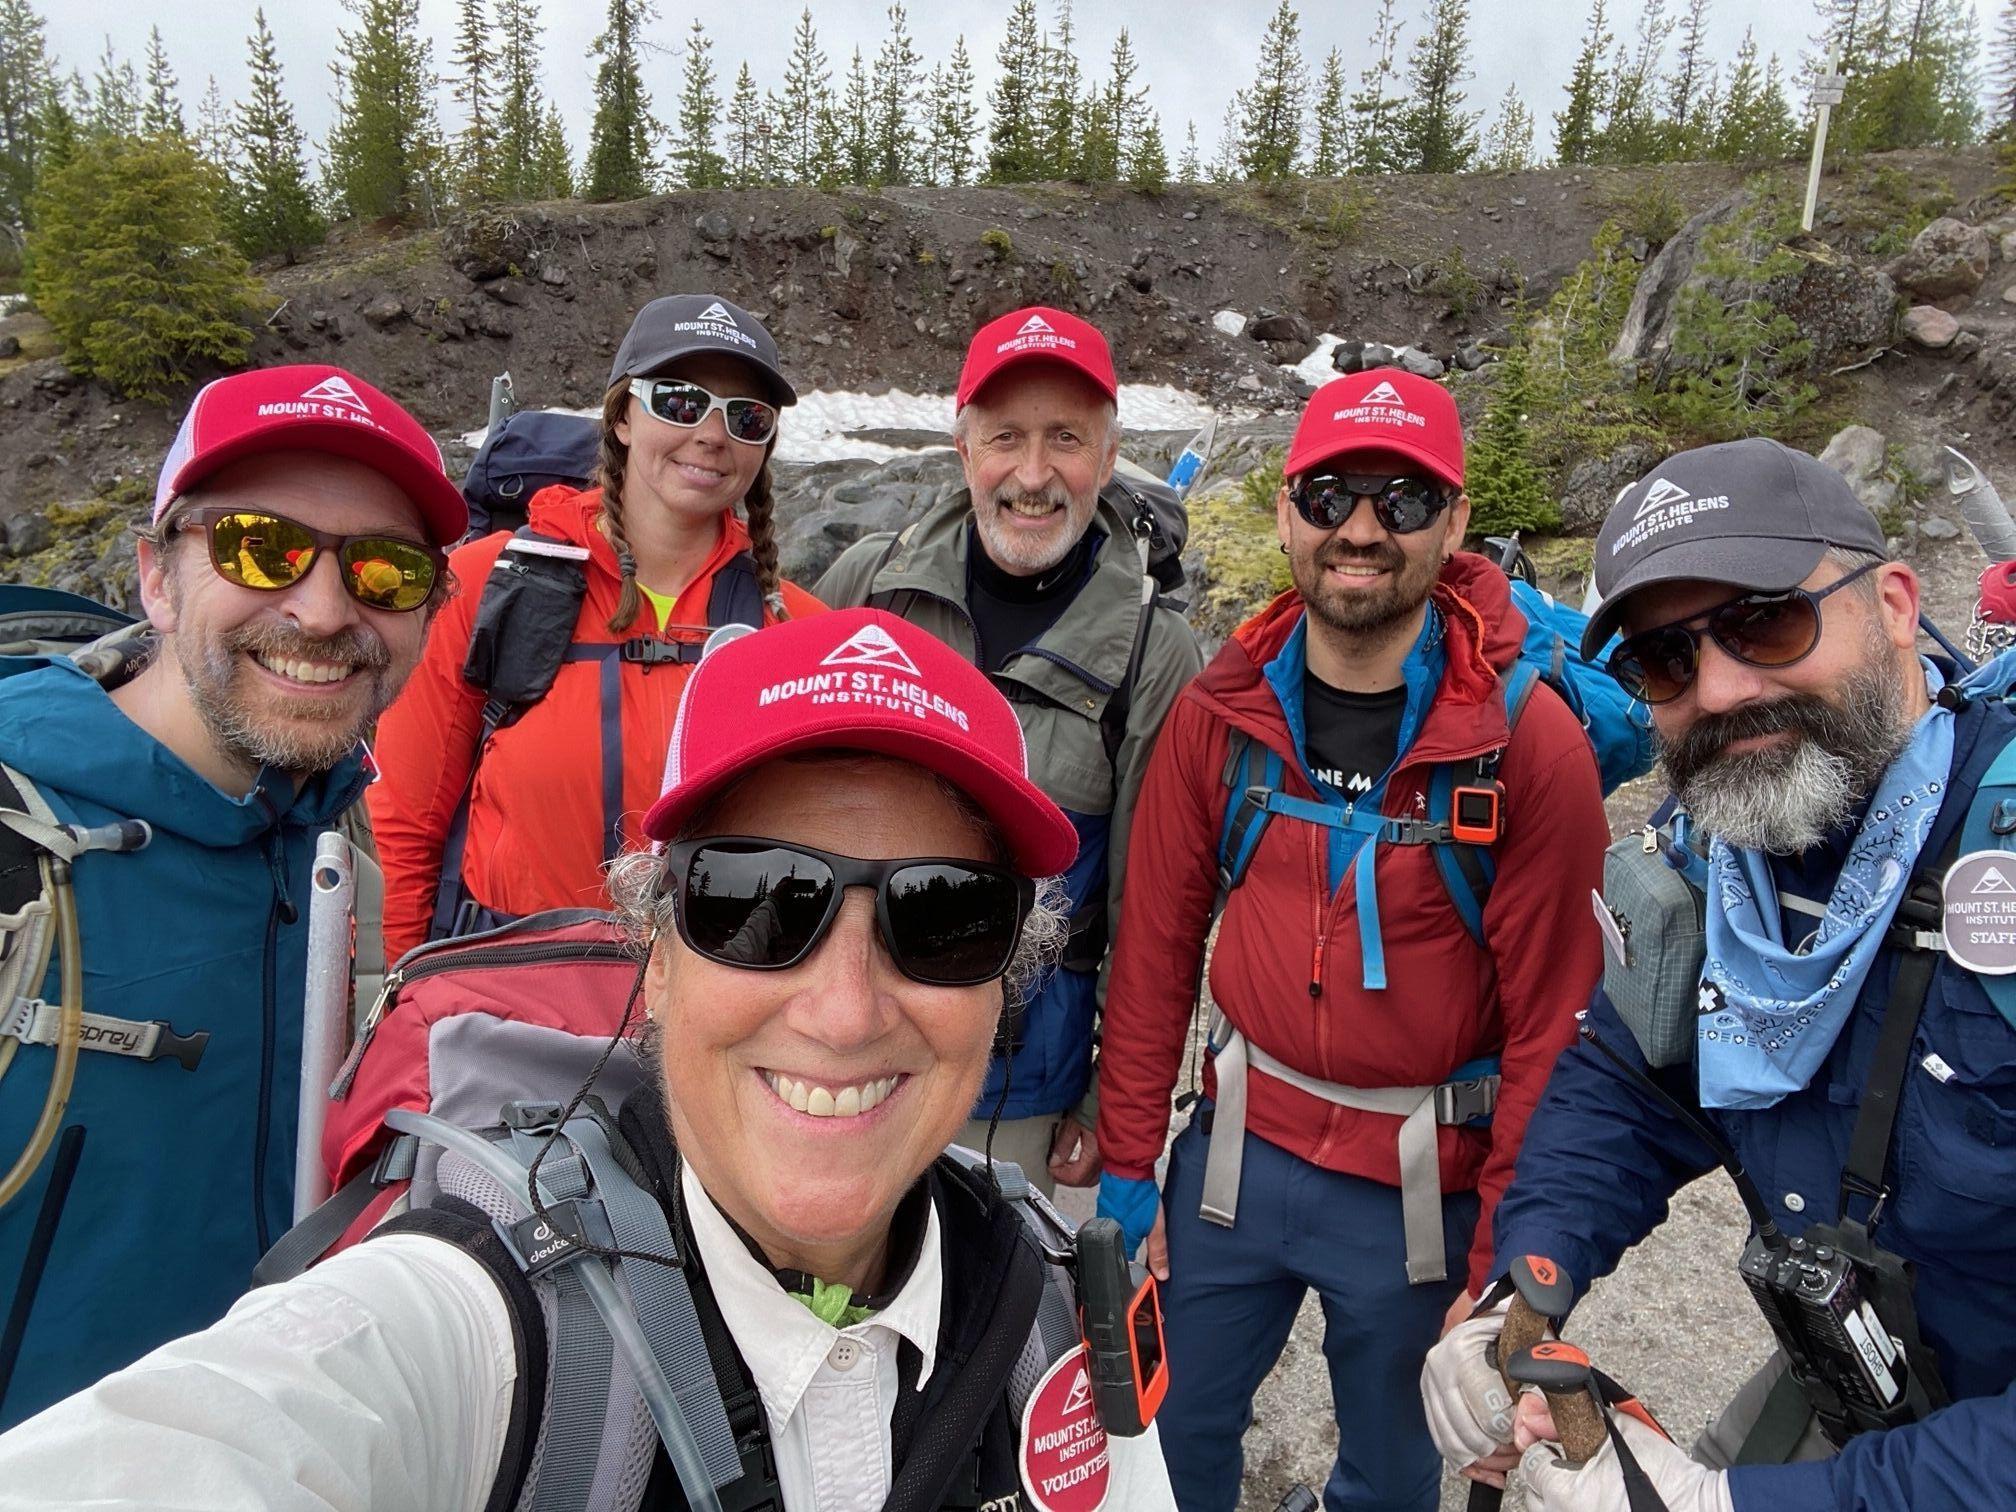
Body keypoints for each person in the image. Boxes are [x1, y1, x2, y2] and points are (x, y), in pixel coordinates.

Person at [0, 609, 1179, 1511]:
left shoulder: (1057, 1320)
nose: (844, 1010)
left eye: (944, 915)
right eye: (759, 901)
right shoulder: (486, 1330)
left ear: (1004, 980)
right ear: (655, 961)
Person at [1421, 438, 2016, 1512]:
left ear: (1891, 602)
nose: (1725, 689)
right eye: (1665, 660)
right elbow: (1632, 1083)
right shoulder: (1718, 871)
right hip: (1872, 1385)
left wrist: (1733, 1507)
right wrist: (1518, 1294)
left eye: (1765, 622)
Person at [1096, 369, 1610, 1510]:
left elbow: (1552, 1036)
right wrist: (1132, 1171)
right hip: (1233, 1164)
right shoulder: (1220, 713)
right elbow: (1154, 961)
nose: (1362, 529)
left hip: (1423, 1192)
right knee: (1164, 1445)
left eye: (1404, 497)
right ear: (1287, 510)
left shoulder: (1526, 748)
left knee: (1389, 1477)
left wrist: (1498, 1283)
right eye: (1331, 494)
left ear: (1456, 521)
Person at [0, 364, 463, 1428]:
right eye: (262, 546)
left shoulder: (343, 854)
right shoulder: (13, 846)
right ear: (158, 578)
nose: (322, 610)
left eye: (387, 572)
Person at [816, 306, 1202, 1197]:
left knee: (989, 1319)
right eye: (1006, 438)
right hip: (842, 1043)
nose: (1033, 475)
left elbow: (1154, 916)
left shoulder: (1154, 655)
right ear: (964, 451)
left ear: (1107, 461)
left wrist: (1115, 1104)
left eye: (1065, 439)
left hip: (1016, 1092)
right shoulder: (866, 592)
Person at [370, 293, 824, 958]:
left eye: (747, 417)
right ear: (622, 419)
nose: (712, 433)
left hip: (710, 1005)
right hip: (508, 995)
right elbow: (408, 821)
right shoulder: (485, 585)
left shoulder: (799, 631)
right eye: (678, 400)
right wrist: (406, 994)